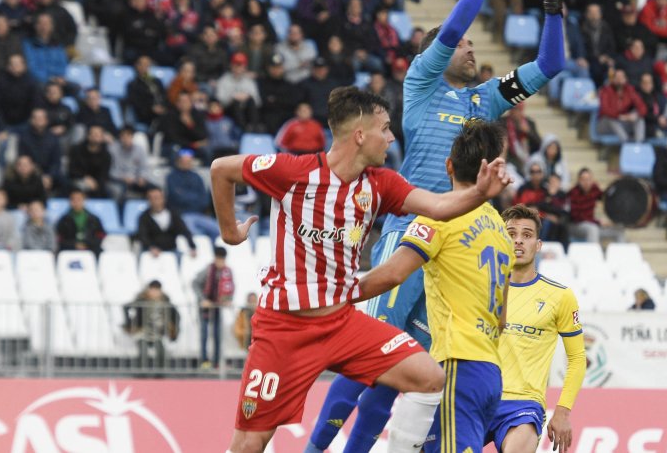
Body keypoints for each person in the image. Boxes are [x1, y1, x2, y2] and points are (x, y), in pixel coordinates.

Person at [307, 0, 567, 453]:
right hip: (410, 229)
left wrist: (552, 0)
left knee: (404, 368)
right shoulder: (421, 84)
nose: (470, 48)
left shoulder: (485, 101)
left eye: (472, 44)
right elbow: (450, 32)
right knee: (369, 356)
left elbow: (552, 65)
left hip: (455, 250)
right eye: (464, 44)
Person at [210, 88, 512, 453]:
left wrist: (479, 193)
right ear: (360, 134)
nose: (391, 137)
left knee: (429, 377)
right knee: (249, 443)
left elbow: (437, 205)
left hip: (342, 323)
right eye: (385, 128)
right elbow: (221, 169)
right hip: (283, 329)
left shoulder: (381, 184)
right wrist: (230, 232)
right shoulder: (292, 171)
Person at [347, 120, 514, 453]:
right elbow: (502, 317)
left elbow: (394, 273)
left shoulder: (439, 219)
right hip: (489, 370)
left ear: (448, 165)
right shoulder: (499, 225)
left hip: (457, 364)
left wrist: (337, 297)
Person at [484, 204, 584, 453]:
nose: (518, 241)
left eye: (527, 235)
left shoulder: (560, 296)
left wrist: (562, 411)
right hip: (477, 396)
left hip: (523, 405)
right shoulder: (480, 288)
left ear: (538, 245)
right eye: (511, 234)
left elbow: (577, 358)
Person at [123, 280, 180, 371]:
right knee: (143, 352)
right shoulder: (141, 300)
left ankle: (160, 377)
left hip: (158, 334)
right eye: (152, 290)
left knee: (161, 352)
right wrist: (129, 324)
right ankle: (142, 376)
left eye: (157, 290)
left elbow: (176, 316)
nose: (154, 292)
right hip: (142, 332)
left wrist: (173, 332)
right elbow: (126, 307)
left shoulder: (166, 302)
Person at [193, 245, 235, 370]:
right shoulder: (207, 270)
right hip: (205, 308)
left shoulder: (227, 272)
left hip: (217, 308)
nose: (220, 262)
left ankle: (216, 361)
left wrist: (228, 300)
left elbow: (230, 288)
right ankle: (204, 360)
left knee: (217, 335)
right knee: (204, 334)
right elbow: (195, 283)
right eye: (219, 259)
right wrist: (203, 300)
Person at [136, 187, 196, 256]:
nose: (155, 201)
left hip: (172, 250)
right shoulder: (144, 217)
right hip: (151, 253)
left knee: (183, 257)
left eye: (157, 198)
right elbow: (143, 236)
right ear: (148, 200)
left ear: (163, 198)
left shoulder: (173, 214)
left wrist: (192, 246)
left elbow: (184, 230)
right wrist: (151, 248)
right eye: (152, 198)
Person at [55, 189, 105, 255]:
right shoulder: (64, 220)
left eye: (79, 199)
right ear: (70, 201)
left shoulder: (94, 219)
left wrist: (87, 244)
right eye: (73, 199)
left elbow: (100, 235)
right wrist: (74, 245)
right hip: (69, 249)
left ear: (84, 200)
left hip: (91, 248)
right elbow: (60, 238)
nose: (76, 202)